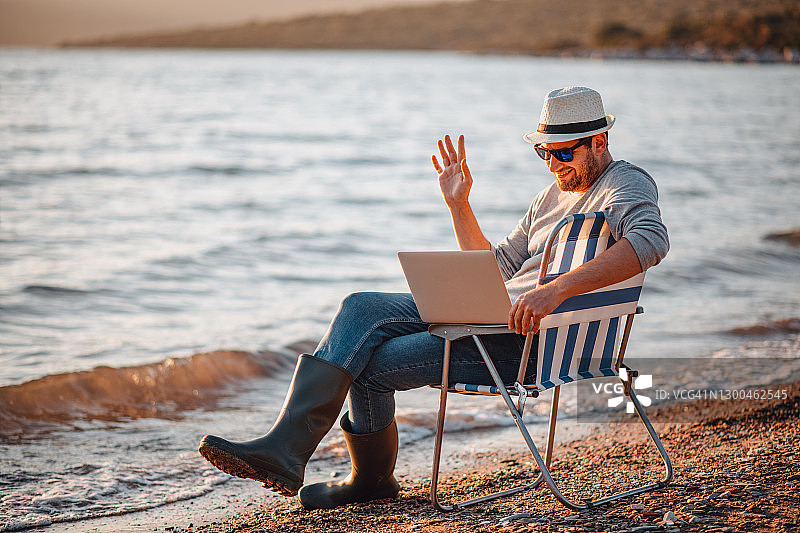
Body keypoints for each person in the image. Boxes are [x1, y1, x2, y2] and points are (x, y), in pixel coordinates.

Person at [198, 86, 669, 510]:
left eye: (564, 152)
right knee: (360, 307)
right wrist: (458, 204)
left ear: (599, 142)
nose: (553, 163)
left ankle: (369, 478)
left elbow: (651, 242)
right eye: (545, 151)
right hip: (493, 318)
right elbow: (496, 267)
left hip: (526, 345)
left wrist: (555, 291)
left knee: (370, 360)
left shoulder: (626, 184)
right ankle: (286, 445)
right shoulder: (549, 197)